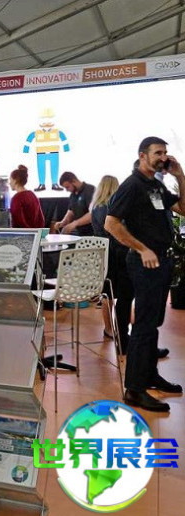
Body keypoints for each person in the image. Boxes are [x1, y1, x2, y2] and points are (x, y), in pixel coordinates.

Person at [105, 136, 185, 413]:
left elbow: (182, 209)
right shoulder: (132, 185)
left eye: (165, 152)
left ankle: (150, 375)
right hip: (145, 263)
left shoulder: (154, 184)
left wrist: (180, 176)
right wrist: (142, 249)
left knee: (152, 323)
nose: (163, 157)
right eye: (157, 153)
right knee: (143, 326)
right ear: (143, 155)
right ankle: (135, 390)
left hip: (162, 261)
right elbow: (111, 223)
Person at [91, 175, 134, 350]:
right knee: (124, 294)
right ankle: (121, 330)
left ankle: (108, 329)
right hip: (118, 254)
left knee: (107, 294)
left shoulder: (95, 208)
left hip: (102, 255)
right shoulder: (113, 208)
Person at [55, 171, 95, 235]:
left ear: (74, 181)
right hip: (79, 232)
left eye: (67, 187)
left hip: (92, 232)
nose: (67, 190)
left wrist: (75, 223)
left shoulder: (90, 190)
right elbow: (71, 211)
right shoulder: (72, 195)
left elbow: (93, 213)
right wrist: (63, 222)